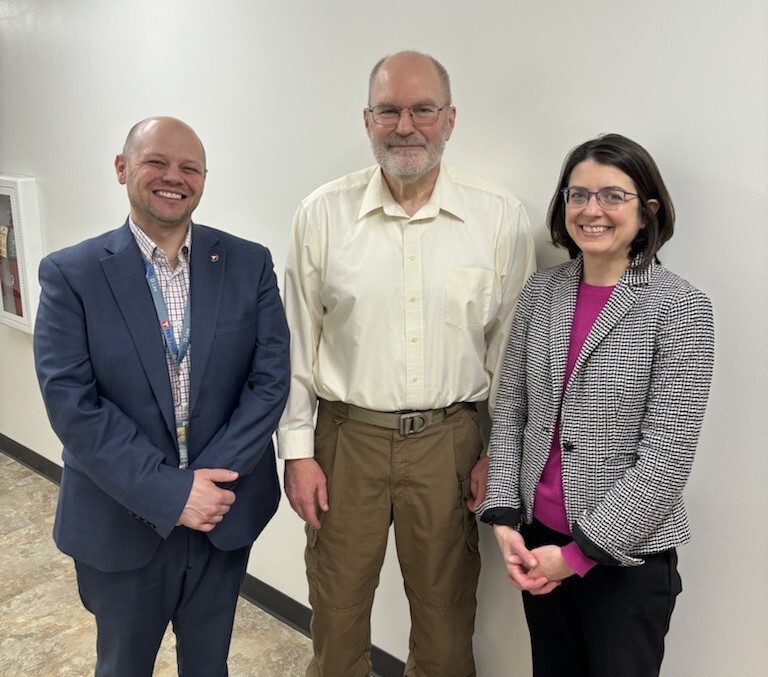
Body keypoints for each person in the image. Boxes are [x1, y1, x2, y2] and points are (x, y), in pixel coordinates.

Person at [278, 51, 536, 677]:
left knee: (447, 636)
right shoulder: (321, 214)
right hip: (345, 441)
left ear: (450, 119)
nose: (405, 126)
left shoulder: (498, 217)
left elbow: (514, 354)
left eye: (423, 109)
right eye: (389, 110)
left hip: (451, 442)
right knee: (336, 626)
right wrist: (296, 451)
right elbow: (294, 341)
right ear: (367, 119)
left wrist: (496, 455)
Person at [33, 116, 290, 677]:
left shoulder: (250, 264)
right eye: (157, 162)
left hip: (222, 513)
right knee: (123, 665)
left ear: (203, 179)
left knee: (208, 665)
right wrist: (172, 492)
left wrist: (207, 485)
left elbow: (269, 380)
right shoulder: (71, 274)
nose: (174, 177)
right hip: (118, 519)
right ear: (123, 168)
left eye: (189, 167)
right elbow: (72, 404)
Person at [479, 133, 715, 677]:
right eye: (578, 194)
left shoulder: (680, 307)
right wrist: (504, 516)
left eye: (613, 195)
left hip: (625, 562)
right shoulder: (542, 292)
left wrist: (579, 556)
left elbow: (668, 457)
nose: (592, 210)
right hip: (538, 544)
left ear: (648, 210)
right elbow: (511, 408)